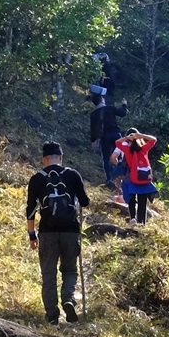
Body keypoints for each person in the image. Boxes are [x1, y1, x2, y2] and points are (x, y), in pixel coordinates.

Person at [25, 140, 91, 323]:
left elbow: (30, 210)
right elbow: (85, 202)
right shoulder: (73, 175)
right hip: (71, 231)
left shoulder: (37, 179)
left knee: (48, 274)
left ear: (43, 159)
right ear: (61, 157)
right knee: (69, 270)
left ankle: (52, 316)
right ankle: (68, 300)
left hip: (47, 232)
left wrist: (32, 234)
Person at [111, 128, 158, 225]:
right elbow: (154, 140)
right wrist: (141, 136)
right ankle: (142, 222)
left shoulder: (127, 150)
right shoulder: (144, 149)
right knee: (142, 201)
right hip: (144, 178)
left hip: (132, 177)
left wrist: (127, 138)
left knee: (131, 197)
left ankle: (133, 218)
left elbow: (117, 143)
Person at [87, 90, 124, 203]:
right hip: (116, 134)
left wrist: (93, 141)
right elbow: (122, 113)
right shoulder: (110, 108)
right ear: (102, 100)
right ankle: (122, 176)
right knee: (121, 156)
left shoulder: (93, 114)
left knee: (106, 158)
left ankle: (109, 179)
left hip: (104, 137)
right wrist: (124, 105)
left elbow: (93, 129)